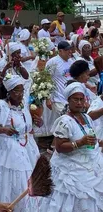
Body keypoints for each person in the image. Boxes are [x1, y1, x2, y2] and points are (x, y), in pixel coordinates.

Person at [40, 82, 103, 212]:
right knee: (73, 198)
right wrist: (80, 143)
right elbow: (59, 147)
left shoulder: (86, 118)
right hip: (70, 169)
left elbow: (90, 137)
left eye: (81, 99)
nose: (79, 103)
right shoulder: (64, 121)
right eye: (75, 99)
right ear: (68, 100)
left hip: (90, 163)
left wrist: (98, 142)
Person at [0, 75, 39, 212]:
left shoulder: (23, 106)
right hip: (7, 149)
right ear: (9, 92)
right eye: (17, 91)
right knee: (13, 180)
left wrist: (34, 123)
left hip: (26, 147)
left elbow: (25, 126)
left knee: (27, 178)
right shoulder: (1, 107)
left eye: (22, 91)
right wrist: (3, 130)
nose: (20, 94)